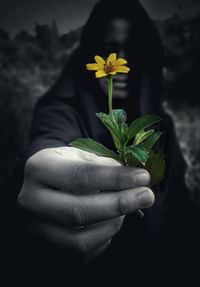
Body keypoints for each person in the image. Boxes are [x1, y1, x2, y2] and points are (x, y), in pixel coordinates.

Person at [6, 0, 199, 284]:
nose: (120, 62)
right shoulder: (61, 107)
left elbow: (180, 209)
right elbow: (49, 137)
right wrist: (43, 170)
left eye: (131, 50)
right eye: (108, 50)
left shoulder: (159, 123)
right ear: (92, 54)